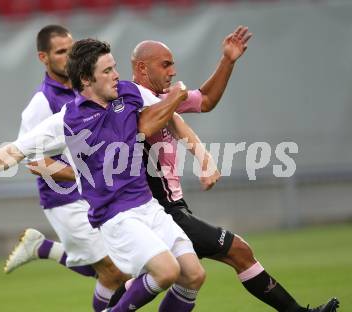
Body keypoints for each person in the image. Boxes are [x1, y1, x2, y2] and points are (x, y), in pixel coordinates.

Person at [0, 38, 206, 312]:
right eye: (108, 71)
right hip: (116, 216)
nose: (116, 75)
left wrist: (202, 155)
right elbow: (15, 152)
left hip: (148, 206)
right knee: (167, 271)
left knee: (194, 275)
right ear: (87, 79)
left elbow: (169, 113)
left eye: (114, 67)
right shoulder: (67, 121)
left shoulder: (129, 93)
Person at [109, 27, 338, 312]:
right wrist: (203, 157)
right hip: (160, 209)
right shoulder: (135, 97)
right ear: (142, 67)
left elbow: (205, 99)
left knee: (179, 276)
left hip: (171, 206)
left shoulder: (165, 96)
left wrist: (227, 60)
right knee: (237, 251)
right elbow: (162, 123)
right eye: (165, 64)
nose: (173, 70)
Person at [2, 25, 129, 311]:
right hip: (65, 200)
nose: (68, 56)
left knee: (123, 263)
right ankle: (45, 248)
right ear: (43, 58)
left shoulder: (87, 88)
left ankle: (44, 248)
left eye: (71, 49)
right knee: (114, 272)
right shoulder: (42, 103)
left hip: (95, 195)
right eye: (60, 52)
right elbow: (34, 161)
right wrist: (86, 174)